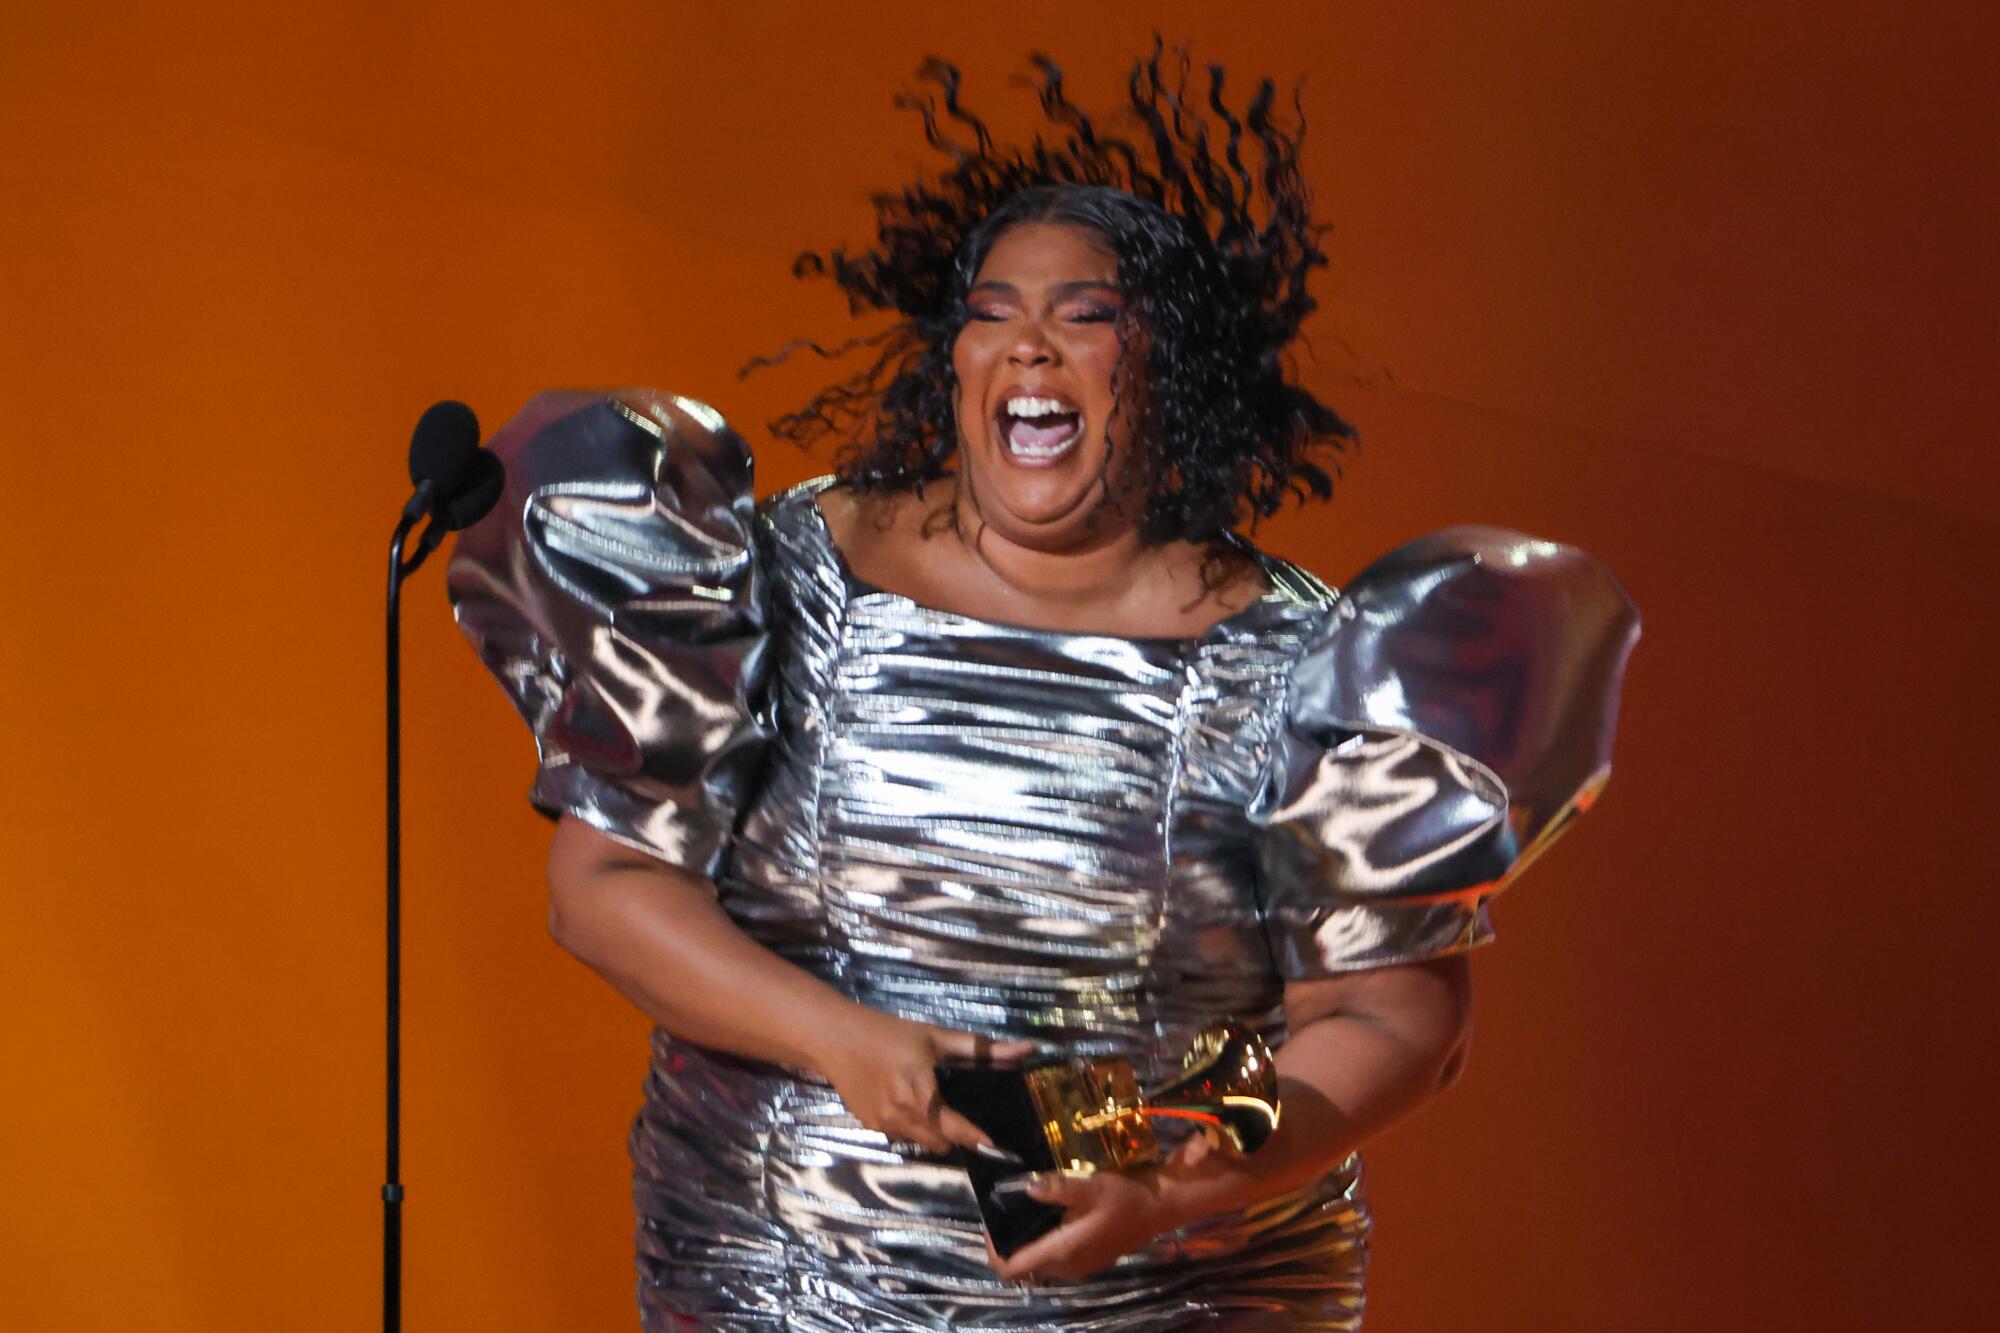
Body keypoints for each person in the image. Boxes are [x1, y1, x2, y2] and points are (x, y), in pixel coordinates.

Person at [448, 52, 1639, 1331]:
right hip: (778, 1280)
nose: (1026, 341)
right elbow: (604, 889)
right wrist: (843, 1039)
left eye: (1082, 314)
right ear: (952, 359)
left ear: (1164, 368)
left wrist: (1167, 1166)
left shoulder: (1304, 659)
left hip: (1175, 1296)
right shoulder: (772, 579)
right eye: (991, 309)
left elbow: (1390, 1018)